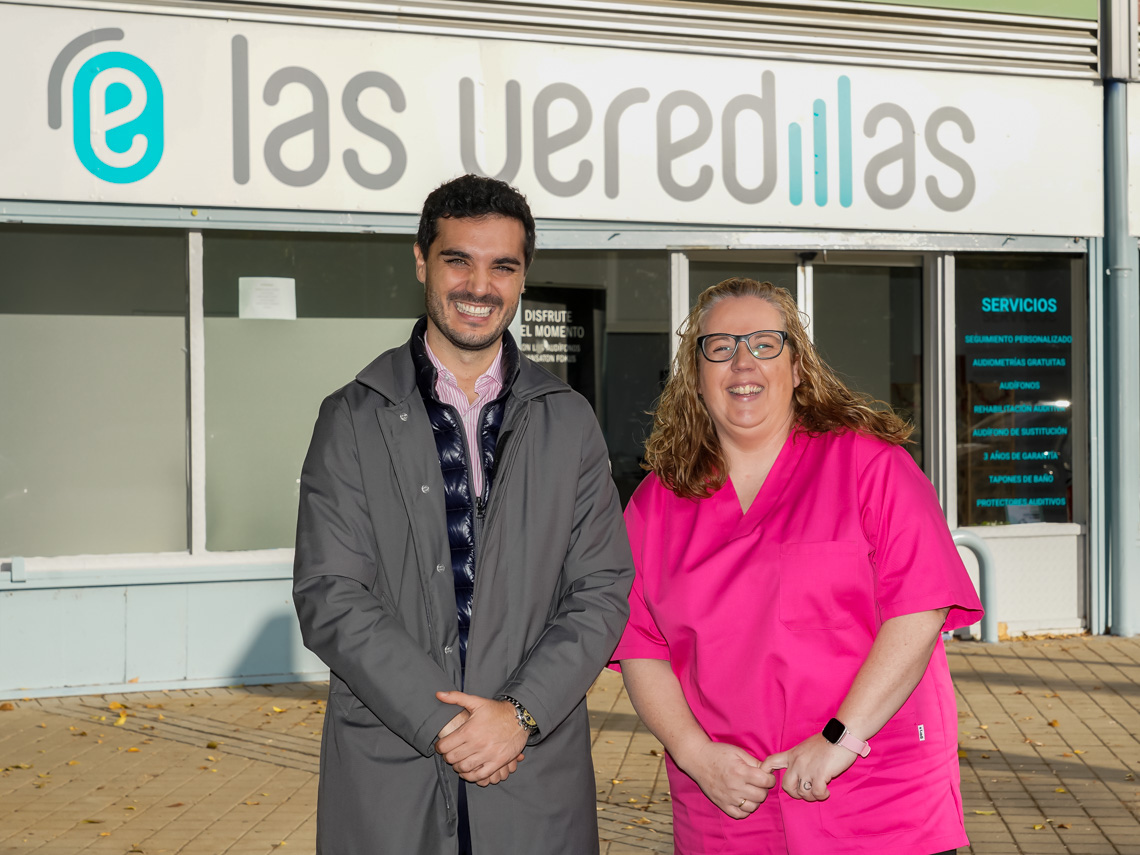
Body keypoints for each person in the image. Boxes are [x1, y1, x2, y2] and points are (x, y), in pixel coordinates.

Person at [293, 174, 634, 854]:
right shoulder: (351, 416)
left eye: (502, 266)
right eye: (459, 260)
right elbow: (331, 593)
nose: (479, 285)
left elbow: (601, 589)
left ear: (522, 276)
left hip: (532, 765)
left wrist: (519, 712)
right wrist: (448, 723)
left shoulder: (567, 421)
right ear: (422, 260)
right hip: (395, 764)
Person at [613, 277, 984, 854]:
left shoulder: (871, 466)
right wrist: (694, 754)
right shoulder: (656, 504)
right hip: (729, 800)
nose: (742, 363)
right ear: (695, 374)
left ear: (798, 366)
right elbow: (641, 645)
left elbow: (919, 610)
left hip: (872, 790)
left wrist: (841, 737)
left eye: (764, 343)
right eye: (720, 347)